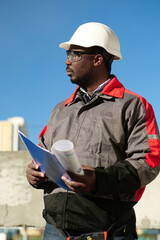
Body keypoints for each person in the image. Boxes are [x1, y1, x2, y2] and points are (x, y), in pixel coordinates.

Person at [26, 22, 160, 240]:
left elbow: (149, 161)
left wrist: (99, 180)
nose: (67, 60)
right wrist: (34, 174)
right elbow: (42, 153)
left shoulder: (133, 106)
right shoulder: (60, 110)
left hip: (108, 231)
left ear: (98, 59)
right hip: (55, 230)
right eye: (68, 54)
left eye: (75, 54)